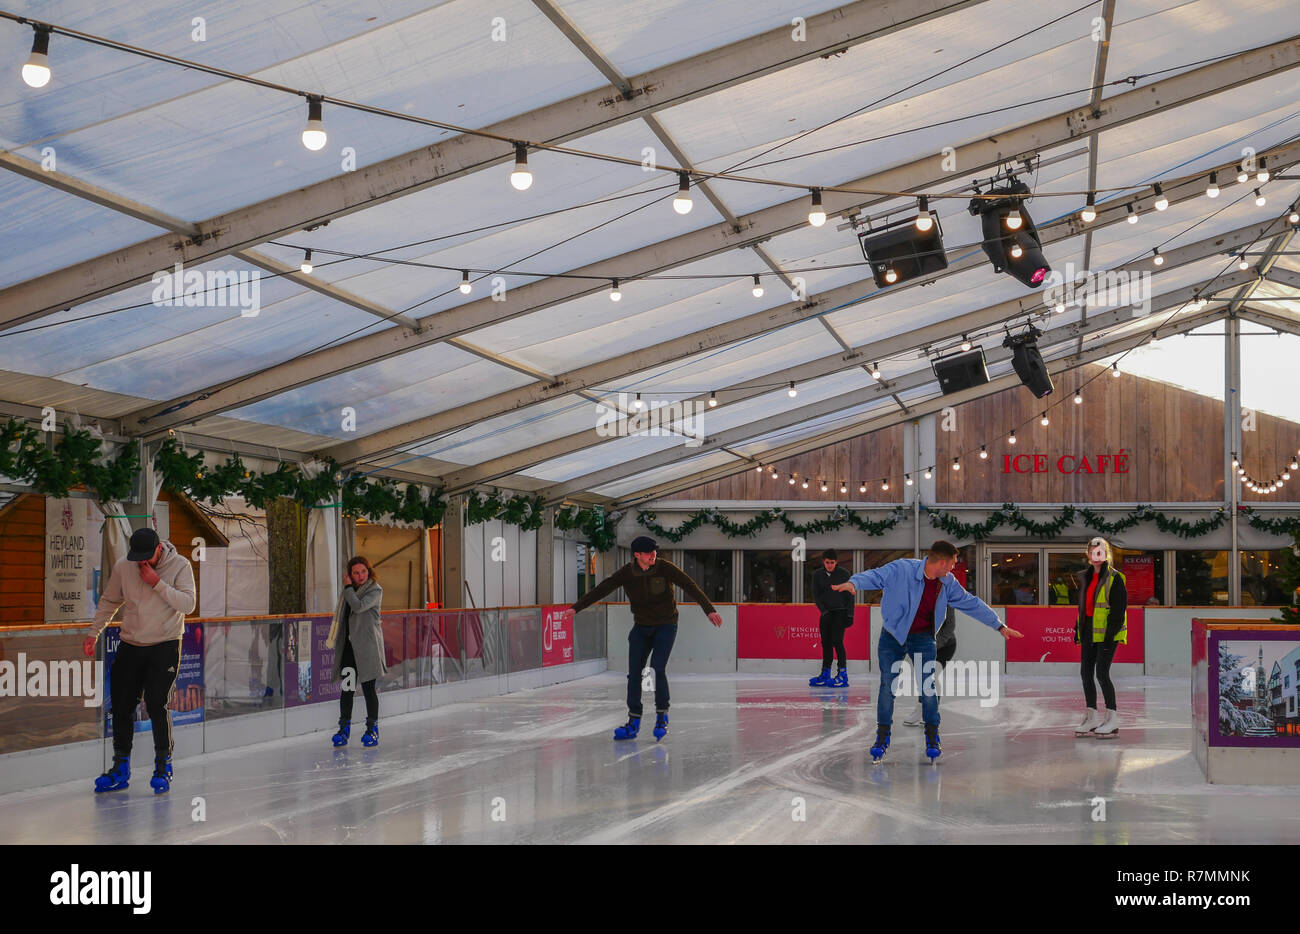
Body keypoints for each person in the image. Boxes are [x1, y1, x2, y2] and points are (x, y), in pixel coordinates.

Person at [832, 541, 1022, 762]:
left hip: (922, 638)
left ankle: (932, 738)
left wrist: (999, 625)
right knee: (887, 686)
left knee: (927, 687)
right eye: (952, 563)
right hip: (892, 636)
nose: (953, 568)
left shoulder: (947, 582)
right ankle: (882, 738)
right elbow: (875, 576)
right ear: (942, 562)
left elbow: (970, 603)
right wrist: (854, 582)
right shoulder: (902, 569)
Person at [571, 536, 722, 741]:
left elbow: (690, 586)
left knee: (656, 669)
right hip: (641, 627)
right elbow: (602, 589)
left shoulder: (665, 568)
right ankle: (633, 721)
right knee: (635, 674)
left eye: (655, 552)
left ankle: (662, 716)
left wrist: (709, 610)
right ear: (637, 555)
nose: (654, 555)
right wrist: (575, 608)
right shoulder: (627, 572)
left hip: (666, 625)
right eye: (649, 552)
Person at [85, 527, 196, 794]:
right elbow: (110, 600)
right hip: (131, 644)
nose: (141, 563)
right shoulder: (125, 566)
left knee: (157, 704)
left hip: (165, 644)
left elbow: (188, 604)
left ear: (159, 548)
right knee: (122, 706)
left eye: (147, 556)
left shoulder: (180, 565)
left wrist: (156, 582)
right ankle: (120, 767)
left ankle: (163, 765)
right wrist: (93, 633)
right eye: (138, 558)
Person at [326, 556, 386, 747]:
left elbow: (358, 607)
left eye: (363, 572)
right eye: (356, 573)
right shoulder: (349, 592)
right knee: (348, 689)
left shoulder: (375, 590)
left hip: (368, 650)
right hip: (350, 651)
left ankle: (372, 729)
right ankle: (344, 729)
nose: (360, 576)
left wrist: (347, 588)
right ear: (350, 575)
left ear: (369, 572)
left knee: (369, 690)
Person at [1073, 537, 1127, 739]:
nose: (1095, 555)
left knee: (1102, 674)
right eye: (1092, 551)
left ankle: (1112, 719)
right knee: (1085, 673)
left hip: (1107, 634)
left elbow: (1118, 611)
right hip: (1088, 632)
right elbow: (1085, 608)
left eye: (1099, 551)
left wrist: (1109, 636)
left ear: (1106, 554)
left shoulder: (1115, 578)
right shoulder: (1086, 577)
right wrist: (1077, 629)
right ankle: (1091, 717)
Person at [903, 605, 956, 727]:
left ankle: (929, 711)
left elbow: (950, 626)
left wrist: (934, 644)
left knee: (932, 675)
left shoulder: (946, 597)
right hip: (923, 643)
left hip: (945, 645)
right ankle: (923, 709)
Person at [809, 549, 853, 687]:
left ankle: (842, 674)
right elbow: (817, 595)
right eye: (827, 562)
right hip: (826, 613)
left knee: (837, 642)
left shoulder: (844, 574)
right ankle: (825, 673)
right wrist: (824, 611)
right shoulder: (817, 575)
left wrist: (850, 614)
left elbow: (850, 596)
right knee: (826, 643)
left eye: (832, 563)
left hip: (840, 612)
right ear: (823, 562)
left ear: (836, 562)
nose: (829, 565)